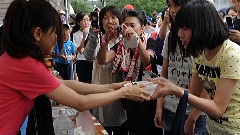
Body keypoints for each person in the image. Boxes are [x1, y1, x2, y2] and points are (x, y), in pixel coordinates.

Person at [0, 0, 151, 134]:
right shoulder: (27, 64)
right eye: (55, 33)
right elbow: (80, 102)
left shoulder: (19, 59)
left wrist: (112, 86)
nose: (58, 39)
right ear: (38, 33)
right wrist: (123, 92)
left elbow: (63, 83)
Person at [151, 0, 240, 134]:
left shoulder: (230, 54)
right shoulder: (200, 54)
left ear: (203, 26)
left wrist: (176, 91)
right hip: (212, 129)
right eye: (179, 27)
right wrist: (167, 85)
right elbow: (193, 94)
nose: (180, 33)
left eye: (185, 28)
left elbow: (217, 108)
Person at [154, 0, 207, 135]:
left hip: (196, 113)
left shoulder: (203, 39)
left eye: (176, 4)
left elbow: (209, 86)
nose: (172, 10)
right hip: (170, 109)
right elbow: (164, 74)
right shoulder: (170, 36)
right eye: (170, 5)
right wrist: (159, 106)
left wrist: (193, 118)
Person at [91, 6, 128, 135]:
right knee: (100, 127)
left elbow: (104, 61)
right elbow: (95, 58)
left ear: (120, 21)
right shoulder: (98, 39)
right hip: (98, 87)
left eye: (113, 17)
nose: (109, 21)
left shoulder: (124, 41)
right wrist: (103, 40)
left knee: (117, 123)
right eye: (105, 18)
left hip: (116, 91)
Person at [73, 12, 93, 83]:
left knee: (91, 81)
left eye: (87, 20)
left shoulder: (93, 32)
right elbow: (79, 50)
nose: (86, 22)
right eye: (83, 20)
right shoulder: (76, 34)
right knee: (83, 82)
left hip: (91, 61)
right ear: (78, 23)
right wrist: (84, 36)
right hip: (82, 61)